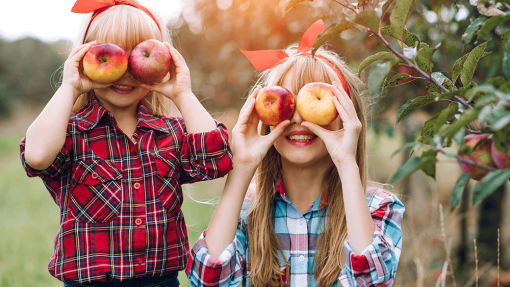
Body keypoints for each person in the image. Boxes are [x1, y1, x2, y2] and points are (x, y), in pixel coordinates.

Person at [19, 0, 233, 286]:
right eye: (110, 54)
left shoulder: (170, 132)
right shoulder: (72, 132)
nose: (126, 70)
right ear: (84, 58)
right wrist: (70, 86)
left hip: (160, 282)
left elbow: (215, 160)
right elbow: (36, 155)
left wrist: (182, 93)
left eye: (139, 54)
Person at [186, 20, 404, 287]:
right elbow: (208, 281)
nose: (299, 118)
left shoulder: (378, 208)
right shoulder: (245, 212)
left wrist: (347, 163)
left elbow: (372, 283)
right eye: (288, 103)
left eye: (314, 101)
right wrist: (241, 167)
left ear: (347, 117)